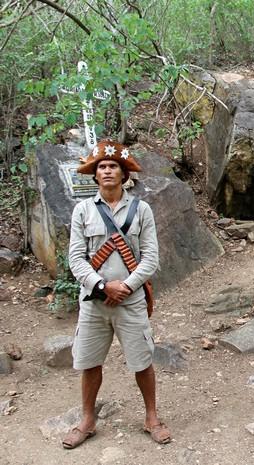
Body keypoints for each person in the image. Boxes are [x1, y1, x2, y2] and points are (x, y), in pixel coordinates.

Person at [62, 140, 171, 449]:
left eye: (113, 167)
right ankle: (87, 420)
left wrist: (125, 286)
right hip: (94, 303)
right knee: (89, 362)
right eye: (102, 167)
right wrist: (100, 286)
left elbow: (150, 257)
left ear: (124, 175)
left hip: (131, 300)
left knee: (142, 361)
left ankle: (151, 417)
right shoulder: (83, 210)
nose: (107, 171)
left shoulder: (142, 209)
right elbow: (76, 258)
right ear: (95, 175)